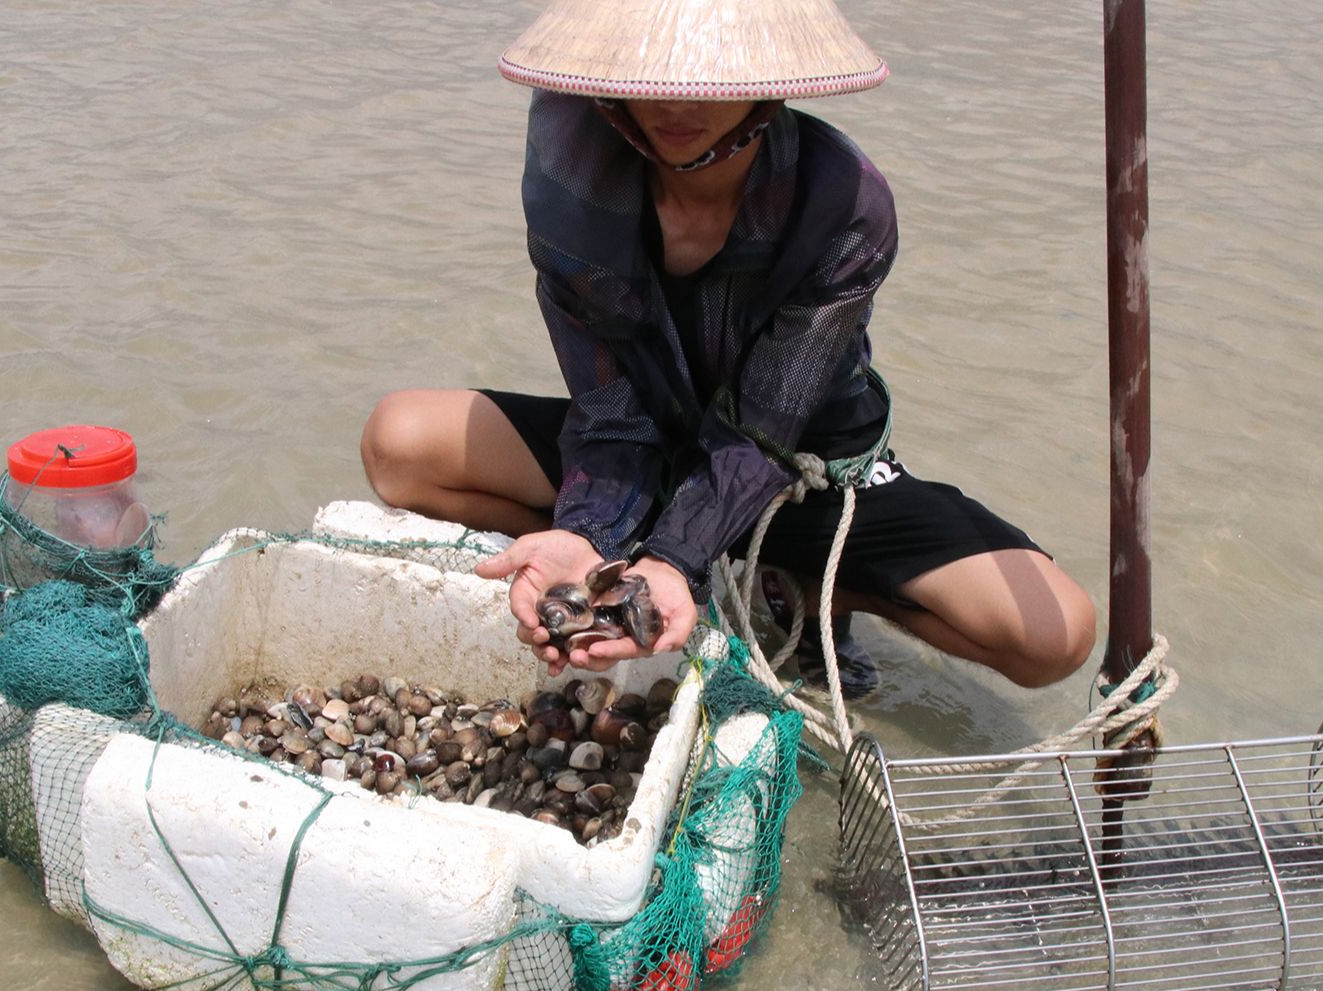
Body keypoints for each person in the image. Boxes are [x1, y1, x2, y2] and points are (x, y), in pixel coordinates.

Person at [361, 0, 1095, 694]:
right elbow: (608, 405)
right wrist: (589, 543)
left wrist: (682, 556)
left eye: (711, 81)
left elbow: (761, 428)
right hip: (645, 442)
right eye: (652, 77)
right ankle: (652, 565)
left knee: (1053, 635)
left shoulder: (842, 203)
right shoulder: (569, 161)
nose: (677, 106)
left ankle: (801, 585)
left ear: (769, 84)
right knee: (400, 443)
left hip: (799, 468)